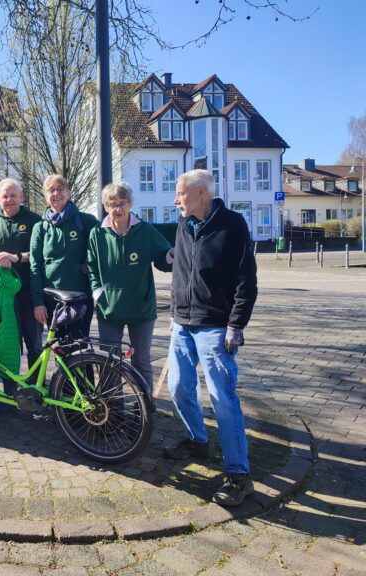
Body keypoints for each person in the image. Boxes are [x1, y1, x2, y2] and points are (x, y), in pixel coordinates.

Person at [164, 169, 258, 507]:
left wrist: (236, 324)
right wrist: (174, 314)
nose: (176, 200)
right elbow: (180, 273)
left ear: (201, 192)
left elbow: (247, 279)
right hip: (182, 324)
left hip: (216, 327)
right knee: (177, 386)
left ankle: (239, 475)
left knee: (222, 397)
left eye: (181, 193)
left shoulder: (233, 224)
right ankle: (196, 439)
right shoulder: (184, 224)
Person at [86, 182, 173, 387]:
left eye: (122, 203)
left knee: (141, 362)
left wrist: (171, 255)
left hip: (141, 310)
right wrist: (98, 293)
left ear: (130, 204)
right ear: (106, 207)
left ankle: (144, 409)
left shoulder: (145, 231)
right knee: (110, 362)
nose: (118, 209)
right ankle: (114, 411)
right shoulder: (97, 234)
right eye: (112, 204)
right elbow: (90, 267)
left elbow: (162, 258)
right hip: (109, 311)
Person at [0, 178, 42, 410]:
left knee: (34, 344)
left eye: (13, 195)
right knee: (7, 345)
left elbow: (41, 252)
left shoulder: (34, 220)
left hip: (28, 293)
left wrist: (18, 257)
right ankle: (9, 394)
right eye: (5, 196)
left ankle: (35, 393)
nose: (9, 200)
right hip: (3, 295)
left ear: (21, 197)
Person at [29, 174, 98, 339]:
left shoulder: (85, 221)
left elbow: (104, 243)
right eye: (51, 190)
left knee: (80, 348)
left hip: (80, 297)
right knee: (60, 349)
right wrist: (38, 302)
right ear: (45, 195)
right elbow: (35, 265)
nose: (56, 194)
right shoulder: (40, 228)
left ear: (68, 193)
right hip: (52, 299)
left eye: (60, 189)